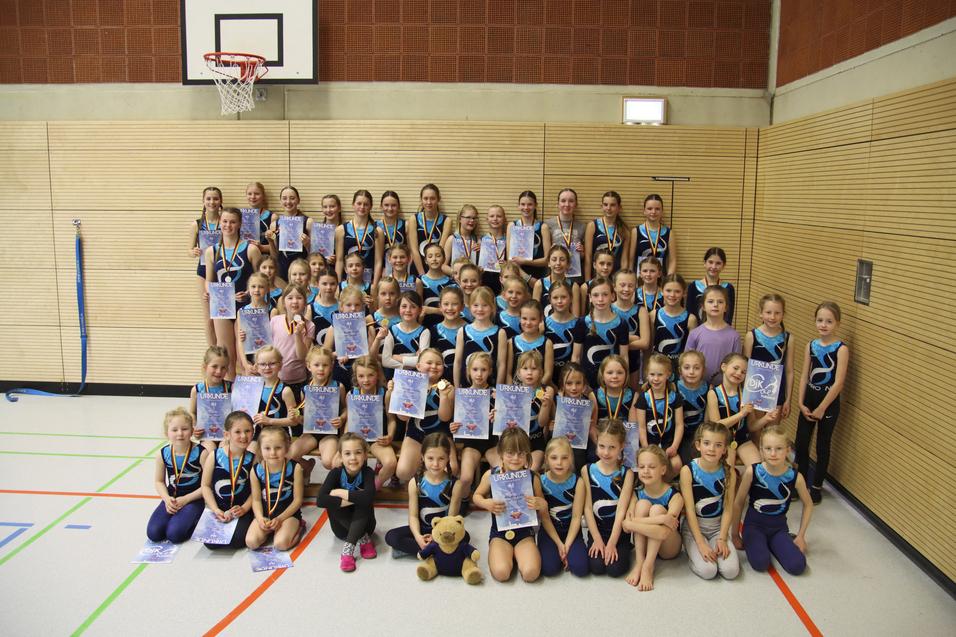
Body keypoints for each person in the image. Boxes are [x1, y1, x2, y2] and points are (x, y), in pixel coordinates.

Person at [731, 425, 813, 575]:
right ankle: (763, 543)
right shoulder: (753, 472)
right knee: (760, 563)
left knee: (797, 566)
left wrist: (801, 536)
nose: (773, 453)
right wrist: (735, 534)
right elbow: (738, 503)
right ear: (761, 451)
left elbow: (808, 504)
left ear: (788, 450)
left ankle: (780, 541)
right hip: (754, 527)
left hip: (778, 529)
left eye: (779, 448)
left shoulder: (795, 477)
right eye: (768, 449)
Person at [472, 428, 546, 582]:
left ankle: (517, 554)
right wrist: (486, 503)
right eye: (510, 453)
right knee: (501, 573)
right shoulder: (491, 475)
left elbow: (543, 505)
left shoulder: (532, 478)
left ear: (527, 454)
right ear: (500, 453)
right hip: (500, 533)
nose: (515, 458)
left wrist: (540, 504)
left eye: (521, 453)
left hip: (525, 533)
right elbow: (476, 496)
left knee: (531, 574)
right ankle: (504, 554)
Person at [795, 301, 849, 504]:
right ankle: (798, 482)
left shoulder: (841, 349)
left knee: (822, 445)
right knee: (801, 443)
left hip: (828, 403)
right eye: (820, 320)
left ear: (837, 323)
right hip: (809, 398)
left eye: (829, 321)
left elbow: (839, 382)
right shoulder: (811, 345)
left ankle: (816, 486)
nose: (823, 325)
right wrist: (801, 402)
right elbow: (804, 376)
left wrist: (822, 407)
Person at [385, 433, 465, 557]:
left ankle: (422, 551)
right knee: (391, 536)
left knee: (464, 537)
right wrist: (418, 537)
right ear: (422, 457)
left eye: (441, 459)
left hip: (444, 532)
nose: (435, 464)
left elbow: (451, 520)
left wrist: (436, 537)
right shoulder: (415, 482)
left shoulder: (455, 484)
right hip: (422, 528)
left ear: (448, 458)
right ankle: (436, 551)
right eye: (430, 458)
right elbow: (413, 516)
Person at [678, 422, 740, 580]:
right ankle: (692, 553)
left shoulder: (729, 473)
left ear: (725, 449)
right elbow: (690, 510)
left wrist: (722, 538)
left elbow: (727, 508)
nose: (712, 449)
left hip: (718, 528)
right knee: (708, 571)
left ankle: (714, 545)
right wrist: (700, 543)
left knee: (731, 571)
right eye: (707, 443)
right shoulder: (688, 471)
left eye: (718, 445)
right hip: (694, 529)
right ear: (698, 445)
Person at [205, 207, 262, 376]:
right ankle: (228, 390)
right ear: (220, 223)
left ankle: (246, 395)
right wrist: (211, 292)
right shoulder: (211, 251)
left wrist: (248, 293)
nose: (228, 225)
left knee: (245, 352)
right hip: (222, 308)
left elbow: (260, 280)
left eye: (232, 222)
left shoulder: (251, 250)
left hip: (244, 305)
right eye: (224, 221)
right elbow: (208, 281)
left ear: (239, 224)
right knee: (226, 353)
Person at [623, 445, 684, 590]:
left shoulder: (674, 496)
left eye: (651, 467)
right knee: (643, 505)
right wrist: (662, 520)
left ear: (663, 469)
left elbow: (663, 533)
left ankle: (648, 567)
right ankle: (640, 562)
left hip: (668, 548)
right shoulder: (636, 494)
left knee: (657, 510)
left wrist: (633, 523)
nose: (646, 471)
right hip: (645, 543)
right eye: (642, 466)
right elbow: (625, 528)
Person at [317, 433, 379, 572]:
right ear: (340, 456)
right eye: (347, 453)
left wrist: (341, 493)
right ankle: (363, 539)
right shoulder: (335, 473)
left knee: (362, 503)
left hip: (367, 525)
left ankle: (347, 551)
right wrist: (357, 498)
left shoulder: (368, 472)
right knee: (333, 504)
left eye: (358, 453)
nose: (353, 458)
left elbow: (369, 497)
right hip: (341, 530)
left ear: (365, 455)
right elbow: (320, 500)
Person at [392, 349, 456, 482]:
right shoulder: (407, 385)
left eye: (438, 364)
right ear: (418, 366)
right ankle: (422, 472)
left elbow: (445, 417)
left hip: (440, 434)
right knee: (402, 473)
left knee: (452, 469)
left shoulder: (448, 388)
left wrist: (443, 397)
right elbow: (403, 418)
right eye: (429, 363)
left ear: (443, 368)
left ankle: (428, 476)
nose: (434, 366)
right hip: (416, 433)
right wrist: (396, 394)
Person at [707, 352, 778, 468]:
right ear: (723, 367)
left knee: (757, 468)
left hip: (742, 439)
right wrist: (741, 414)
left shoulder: (748, 394)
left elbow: (751, 426)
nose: (739, 373)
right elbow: (716, 425)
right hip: (722, 440)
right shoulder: (713, 394)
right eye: (735, 368)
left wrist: (766, 419)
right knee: (728, 471)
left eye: (744, 372)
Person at [582, 419, 634, 577]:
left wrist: (612, 543)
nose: (606, 452)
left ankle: (626, 546)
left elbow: (621, 511)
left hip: (618, 534)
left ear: (622, 446)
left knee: (615, 570)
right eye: (602, 446)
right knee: (597, 568)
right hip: (597, 531)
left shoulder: (627, 473)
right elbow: (588, 508)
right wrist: (597, 539)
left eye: (612, 447)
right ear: (596, 442)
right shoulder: (587, 470)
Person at [147, 407, 207, 543]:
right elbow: (159, 482)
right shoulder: (163, 454)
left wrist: (186, 499)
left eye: (185, 429)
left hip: (194, 498)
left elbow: (207, 485)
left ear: (192, 430)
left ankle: (197, 519)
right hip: (172, 498)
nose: (180, 433)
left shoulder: (201, 453)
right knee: (154, 533)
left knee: (175, 535)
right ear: (166, 433)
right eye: (174, 430)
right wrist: (167, 499)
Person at [200, 411, 257, 550]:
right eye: (237, 432)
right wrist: (215, 509)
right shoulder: (214, 456)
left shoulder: (253, 459)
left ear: (253, 432)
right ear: (226, 434)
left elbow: (256, 491)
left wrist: (244, 508)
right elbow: (206, 486)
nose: (243, 436)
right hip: (220, 508)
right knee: (210, 543)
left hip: (242, 509)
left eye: (247, 431)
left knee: (237, 541)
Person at [538, 436, 588, 577]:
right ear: (546, 458)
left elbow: (577, 517)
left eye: (564, 458)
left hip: (571, 530)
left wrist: (567, 545)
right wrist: (559, 544)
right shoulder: (541, 481)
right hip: (549, 530)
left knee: (580, 569)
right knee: (549, 570)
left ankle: (566, 553)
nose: (559, 463)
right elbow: (545, 518)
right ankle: (555, 552)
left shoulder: (578, 482)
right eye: (554, 458)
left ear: (571, 459)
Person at [289, 346, 345, 472]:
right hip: (311, 432)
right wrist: (298, 418)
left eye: (325, 365)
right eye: (316, 365)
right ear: (309, 366)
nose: (321, 369)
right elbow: (305, 417)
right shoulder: (305, 389)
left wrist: (341, 418)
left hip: (330, 433)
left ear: (331, 366)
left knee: (328, 462)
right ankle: (307, 466)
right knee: (290, 456)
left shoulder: (338, 387)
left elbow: (346, 409)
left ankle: (335, 485)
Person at [347, 355, 398, 488]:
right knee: (335, 461)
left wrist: (390, 436)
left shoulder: (385, 394)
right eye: (361, 376)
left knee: (391, 463)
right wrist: (344, 441)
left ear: (378, 374)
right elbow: (349, 420)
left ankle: (375, 486)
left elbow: (392, 420)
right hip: (357, 439)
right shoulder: (352, 394)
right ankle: (352, 484)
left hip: (377, 439)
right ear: (356, 377)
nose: (366, 380)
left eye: (370, 375)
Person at [743, 293, 794, 426]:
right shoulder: (751, 336)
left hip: (777, 393)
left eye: (777, 313)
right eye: (768, 312)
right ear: (761, 313)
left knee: (772, 434)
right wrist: (744, 396)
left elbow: (789, 371)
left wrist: (788, 400)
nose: (772, 317)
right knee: (756, 431)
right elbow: (746, 368)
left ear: (783, 314)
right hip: (755, 391)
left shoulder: (788, 338)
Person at [632, 354, 685, 480]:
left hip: (668, 444)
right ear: (647, 375)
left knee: (677, 465)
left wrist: (674, 446)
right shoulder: (643, 398)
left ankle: (663, 486)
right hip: (649, 444)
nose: (655, 379)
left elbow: (679, 424)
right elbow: (642, 427)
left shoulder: (675, 398)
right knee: (649, 465)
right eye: (652, 374)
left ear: (668, 375)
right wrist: (645, 447)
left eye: (660, 375)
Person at [685, 285, 740, 385]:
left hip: (723, 388)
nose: (715, 305)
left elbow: (737, 365)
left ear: (726, 307)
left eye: (720, 302)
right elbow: (686, 362)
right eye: (710, 301)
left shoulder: (734, 336)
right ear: (703, 307)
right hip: (698, 386)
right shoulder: (695, 333)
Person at [454, 287, 507, 388]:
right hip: (466, 388)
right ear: (470, 306)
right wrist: (457, 388)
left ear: (492, 307)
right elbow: (457, 362)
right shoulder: (463, 331)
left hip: (490, 387)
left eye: (485, 305)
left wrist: (499, 390)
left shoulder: (500, 333)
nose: (480, 309)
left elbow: (501, 364)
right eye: (476, 305)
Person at [582, 277, 630, 389]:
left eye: (605, 294)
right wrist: (581, 381)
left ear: (613, 296)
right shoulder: (582, 323)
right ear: (590, 298)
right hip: (588, 381)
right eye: (596, 295)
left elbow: (624, 357)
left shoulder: (621, 324)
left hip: (613, 379)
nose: (600, 299)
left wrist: (624, 381)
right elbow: (576, 357)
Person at [190, 186, 223, 346]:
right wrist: (194, 251)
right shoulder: (196, 225)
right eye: (208, 198)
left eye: (215, 198)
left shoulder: (225, 222)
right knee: (209, 318)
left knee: (223, 316)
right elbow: (189, 251)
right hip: (203, 271)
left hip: (223, 271)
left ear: (220, 201)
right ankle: (212, 352)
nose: (212, 202)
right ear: (203, 201)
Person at [513, 350, 554, 471]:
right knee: (512, 471)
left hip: (536, 441)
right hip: (516, 442)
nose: (529, 373)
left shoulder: (546, 391)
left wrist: (546, 404)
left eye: (534, 368)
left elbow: (541, 423)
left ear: (541, 372)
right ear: (518, 373)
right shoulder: (512, 392)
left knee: (530, 472)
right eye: (525, 368)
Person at [269, 284, 314, 395]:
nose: (294, 301)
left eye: (299, 298)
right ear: (283, 302)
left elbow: (302, 356)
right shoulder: (275, 321)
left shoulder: (309, 326)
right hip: (276, 378)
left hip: (298, 379)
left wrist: (298, 335)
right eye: (290, 298)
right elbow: (268, 348)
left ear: (305, 303)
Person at [651, 273, 697, 379]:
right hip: (657, 368)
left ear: (684, 293)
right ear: (661, 291)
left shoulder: (690, 319)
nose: (672, 295)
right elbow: (649, 347)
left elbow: (691, 352)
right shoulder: (654, 315)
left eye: (677, 291)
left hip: (679, 369)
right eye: (668, 290)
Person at [335, 189, 383, 287]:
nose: (362, 207)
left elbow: (378, 262)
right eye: (359, 203)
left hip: (368, 281)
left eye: (366, 204)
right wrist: (338, 285)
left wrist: (374, 285)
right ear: (353, 205)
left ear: (371, 207)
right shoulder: (341, 229)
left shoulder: (377, 231)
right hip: (347, 281)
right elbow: (339, 260)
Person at [612, 268, 651, 390]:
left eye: (630, 285)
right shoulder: (608, 309)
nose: (626, 289)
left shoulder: (641, 311)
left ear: (636, 287)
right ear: (614, 286)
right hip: (610, 360)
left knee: (631, 394)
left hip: (633, 361)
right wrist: (634, 338)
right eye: (622, 285)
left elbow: (644, 343)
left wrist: (617, 343)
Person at [187, 345, 232, 450]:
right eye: (214, 366)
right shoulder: (197, 390)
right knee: (209, 450)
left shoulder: (232, 388)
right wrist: (194, 427)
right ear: (205, 366)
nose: (219, 371)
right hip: (207, 435)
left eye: (223, 367)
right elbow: (192, 413)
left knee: (225, 449)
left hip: (227, 435)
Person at [381, 291, 429, 380]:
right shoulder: (392, 330)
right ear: (398, 308)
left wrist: (400, 358)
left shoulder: (424, 332)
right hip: (394, 379)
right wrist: (408, 364)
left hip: (417, 379)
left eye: (413, 307)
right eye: (404, 306)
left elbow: (423, 362)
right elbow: (385, 361)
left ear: (420, 310)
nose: (408, 310)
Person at [267, 185, 312, 280]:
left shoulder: (308, 222)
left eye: (292, 198)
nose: (288, 202)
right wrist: (270, 241)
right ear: (280, 201)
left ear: (298, 200)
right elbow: (274, 256)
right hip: (282, 270)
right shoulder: (274, 225)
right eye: (284, 198)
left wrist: (308, 245)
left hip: (301, 272)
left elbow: (315, 255)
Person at [505, 300, 554, 386]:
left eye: (533, 319)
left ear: (541, 319)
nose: (528, 323)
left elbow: (548, 373)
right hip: (517, 392)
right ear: (519, 318)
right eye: (524, 318)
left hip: (537, 390)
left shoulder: (547, 343)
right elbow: (508, 373)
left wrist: (536, 389)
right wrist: (511, 391)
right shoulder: (511, 342)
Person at [507, 190, 551, 283]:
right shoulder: (512, 226)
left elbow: (547, 260)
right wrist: (528, 278)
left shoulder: (543, 227)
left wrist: (525, 262)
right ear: (518, 205)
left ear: (535, 205)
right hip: (517, 276)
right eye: (522, 204)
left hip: (539, 277)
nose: (526, 207)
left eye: (530, 204)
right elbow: (510, 259)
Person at [544, 188, 586, 286]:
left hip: (575, 277)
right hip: (554, 277)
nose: (567, 204)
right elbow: (546, 256)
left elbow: (584, 256)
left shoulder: (583, 226)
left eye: (571, 201)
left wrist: (581, 251)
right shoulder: (547, 224)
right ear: (557, 204)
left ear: (576, 204)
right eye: (563, 201)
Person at [408, 183, 450, 275]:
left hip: (436, 266)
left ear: (438, 199)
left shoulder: (446, 220)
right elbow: (414, 249)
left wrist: (433, 273)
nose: (429, 202)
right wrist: (422, 275)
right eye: (425, 198)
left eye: (432, 198)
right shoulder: (413, 219)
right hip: (418, 266)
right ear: (421, 200)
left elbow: (441, 249)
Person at [544, 280, 585, 374]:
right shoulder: (544, 324)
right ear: (549, 300)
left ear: (571, 298)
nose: (559, 301)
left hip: (570, 376)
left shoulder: (578, 324)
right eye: (555, 297)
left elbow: (578, 356)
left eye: (563, 297)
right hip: (549, 374)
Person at [686, 247, 735, 324]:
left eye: (718, 263)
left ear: (724, 265)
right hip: (698, 332)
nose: (714, 267)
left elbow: (728, 317)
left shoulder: (728, 288)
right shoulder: (694, 286)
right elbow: (690, 315)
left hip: (720, 332)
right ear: (705, 263)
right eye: (710, 262)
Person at [584, 191, 629, 275]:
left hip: (615, 275)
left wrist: (623, 278)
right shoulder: (592, 226)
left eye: (612, 205)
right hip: (596, 275)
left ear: (619, 207)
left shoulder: (624, 230)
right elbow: (588, 256)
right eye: (605, 204)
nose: (608, 208)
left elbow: (624, 260)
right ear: (601, 206)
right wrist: (587, 281)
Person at [630, 193, 676, 275]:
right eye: (650, 208)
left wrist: (668, 280)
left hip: (660, 278)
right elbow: (631, 259)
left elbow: (673, 260)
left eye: (657, 209)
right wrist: (630, 277)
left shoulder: (669, 233)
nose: (653, 212)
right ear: (644, 211)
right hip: (640, 278)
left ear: (662, 211)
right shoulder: (636, 231)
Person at [676, 350, 708, 464]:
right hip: (678, 435)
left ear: (703, 370)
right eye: (687, 367)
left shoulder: (709, 388)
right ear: (680, 370)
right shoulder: (673, 388)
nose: (691, 372)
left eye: (696, 368)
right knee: (687, 463)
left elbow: (707, 421)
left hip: (699, 434)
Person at [428, 287, 466, 382]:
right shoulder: (434, 330)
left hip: (465, 382)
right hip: (441, 382)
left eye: (454, 304)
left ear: (462, 306)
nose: (450, 308)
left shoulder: (469, 330)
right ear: (440, 306)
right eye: (446, 304)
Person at [533, 244, 580, 318]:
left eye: (562, 260)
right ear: (548, 263)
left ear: (568, 264)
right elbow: (534, 314)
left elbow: (575, 317)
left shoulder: (573, 286)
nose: (558, 263)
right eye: (554, 260)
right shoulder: (539, 284)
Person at [376, 190, 406, 276]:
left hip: (402, 271)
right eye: (386, 205)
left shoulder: (406, 225)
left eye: (393, 205)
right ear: (381, 206)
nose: (390, 208)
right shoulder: (374, 227)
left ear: (398, 207)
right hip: (381, 272)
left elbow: (410, 253)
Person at [443, 204, 480, 272]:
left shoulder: (478, 240)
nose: (472, 220)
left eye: (474, 218)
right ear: (460, 219)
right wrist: (455, 274)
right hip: (456, 280)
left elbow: (482, 265)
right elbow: (443, 266)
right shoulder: (451, 239)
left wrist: (482, 251)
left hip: (472, 280)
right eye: (468, 217)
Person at [480, 204, 509, 293]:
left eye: (499, 216)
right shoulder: (481, 241)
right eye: (492, 216)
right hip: (485, 282)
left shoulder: (509, 241)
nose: (495, 219)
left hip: (503, 283)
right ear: (487, 219)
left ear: (504, 219)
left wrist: (507, 264)